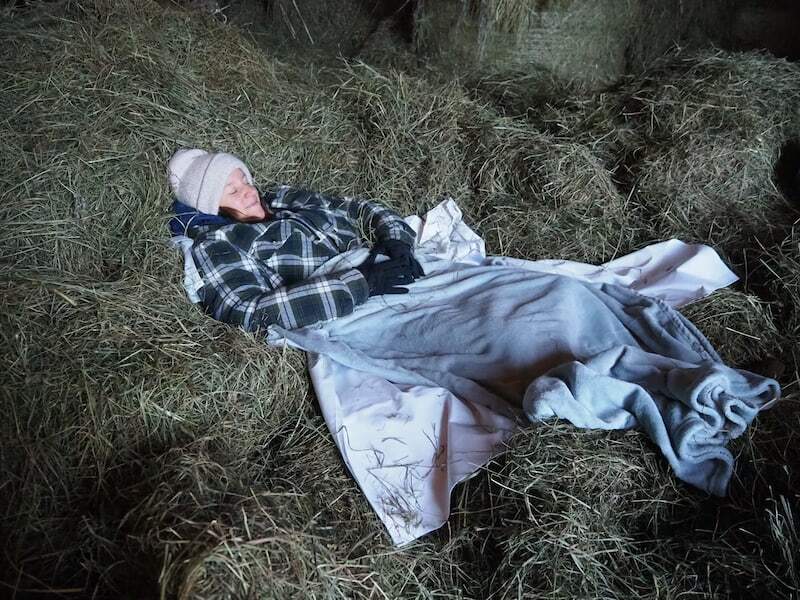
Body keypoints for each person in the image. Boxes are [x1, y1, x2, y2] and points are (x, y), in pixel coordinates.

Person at [167, 148, 424, 331]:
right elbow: (244, 310)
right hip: (348, 304)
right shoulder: (219, 242)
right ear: (211, 207)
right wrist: (357, 284)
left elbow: (359, 208)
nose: (248, 192)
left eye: (245, 181)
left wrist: (397, 240)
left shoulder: (284, 198)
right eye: (233, 191)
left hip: (389, 263)